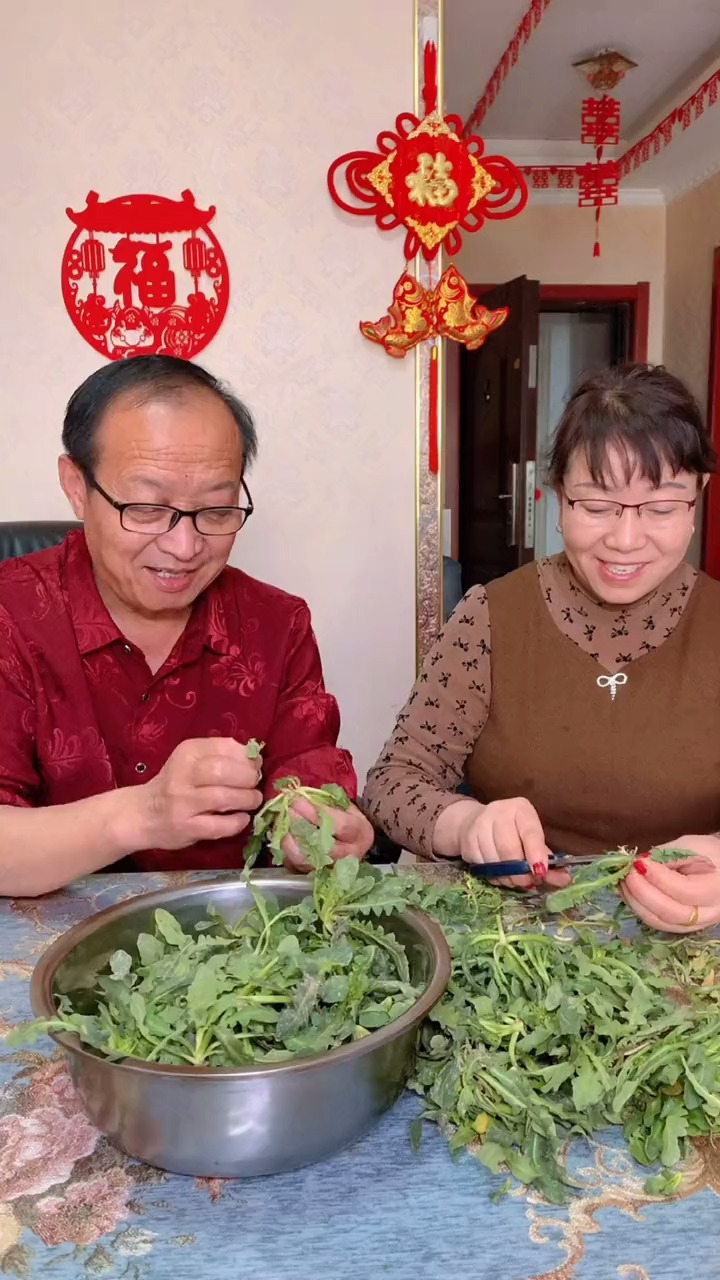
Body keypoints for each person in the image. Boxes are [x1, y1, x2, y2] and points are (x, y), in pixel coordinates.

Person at [363, 363, 720, 934]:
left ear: (697, 498)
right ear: (557, 497)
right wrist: (466, 823)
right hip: (514, 940)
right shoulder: (490, 616)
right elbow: (393, 783)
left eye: (659, 508)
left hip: (692, 939)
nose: (625, 540)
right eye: (597, 506)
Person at [0, 356, 373, 896]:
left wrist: (315, 827)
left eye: (217, 511)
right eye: (148, 507)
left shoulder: (277, 624)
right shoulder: (11, 613)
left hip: (231, 945)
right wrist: (145, 812)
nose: (185, 547)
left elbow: (307, 776)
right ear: (76, 486)